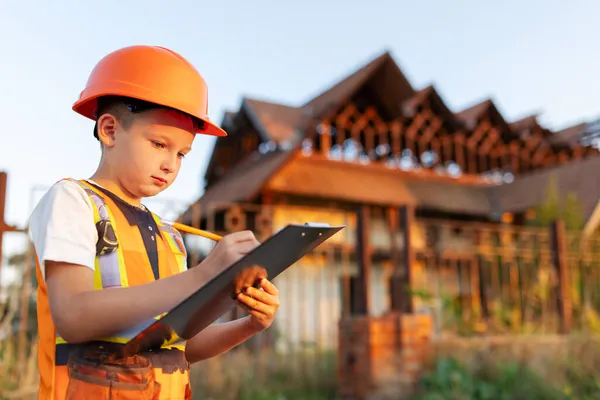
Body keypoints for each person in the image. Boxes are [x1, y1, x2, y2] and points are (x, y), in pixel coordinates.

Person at [28, 45, 280, 399]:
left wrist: (250, 325)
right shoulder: (73, 201)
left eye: (181, 154)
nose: (171, 164)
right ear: (110, 130)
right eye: (159, 144)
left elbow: (178, 348)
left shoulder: (169, 237)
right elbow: (73, 315)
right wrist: (204, 275)